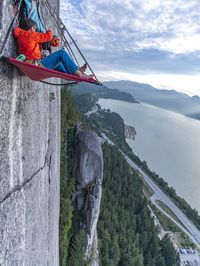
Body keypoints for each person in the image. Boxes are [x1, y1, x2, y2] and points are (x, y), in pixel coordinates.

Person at [14, 18, 93, 80]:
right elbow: (48, 36)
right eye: (35, 28)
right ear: (31, 28)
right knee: (61, 53)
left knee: (58, 62)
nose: (35, 30)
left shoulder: (21, 36)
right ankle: (79, 74)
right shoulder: (31, 34)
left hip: (30, 67)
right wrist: (48, 30)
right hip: (37, 67)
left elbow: (29, 49)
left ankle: (75, 71)